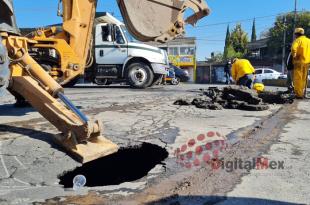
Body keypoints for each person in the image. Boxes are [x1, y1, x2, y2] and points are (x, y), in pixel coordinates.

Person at [291, 28, 310, 99]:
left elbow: (293, 49)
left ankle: (299, 95)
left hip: (299, 62)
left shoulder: (298, 40)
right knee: (303, 79)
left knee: (298, 79)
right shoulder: (308, 40)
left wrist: (295, 56)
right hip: (307, 63)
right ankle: (301, 92)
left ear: (296, 34)